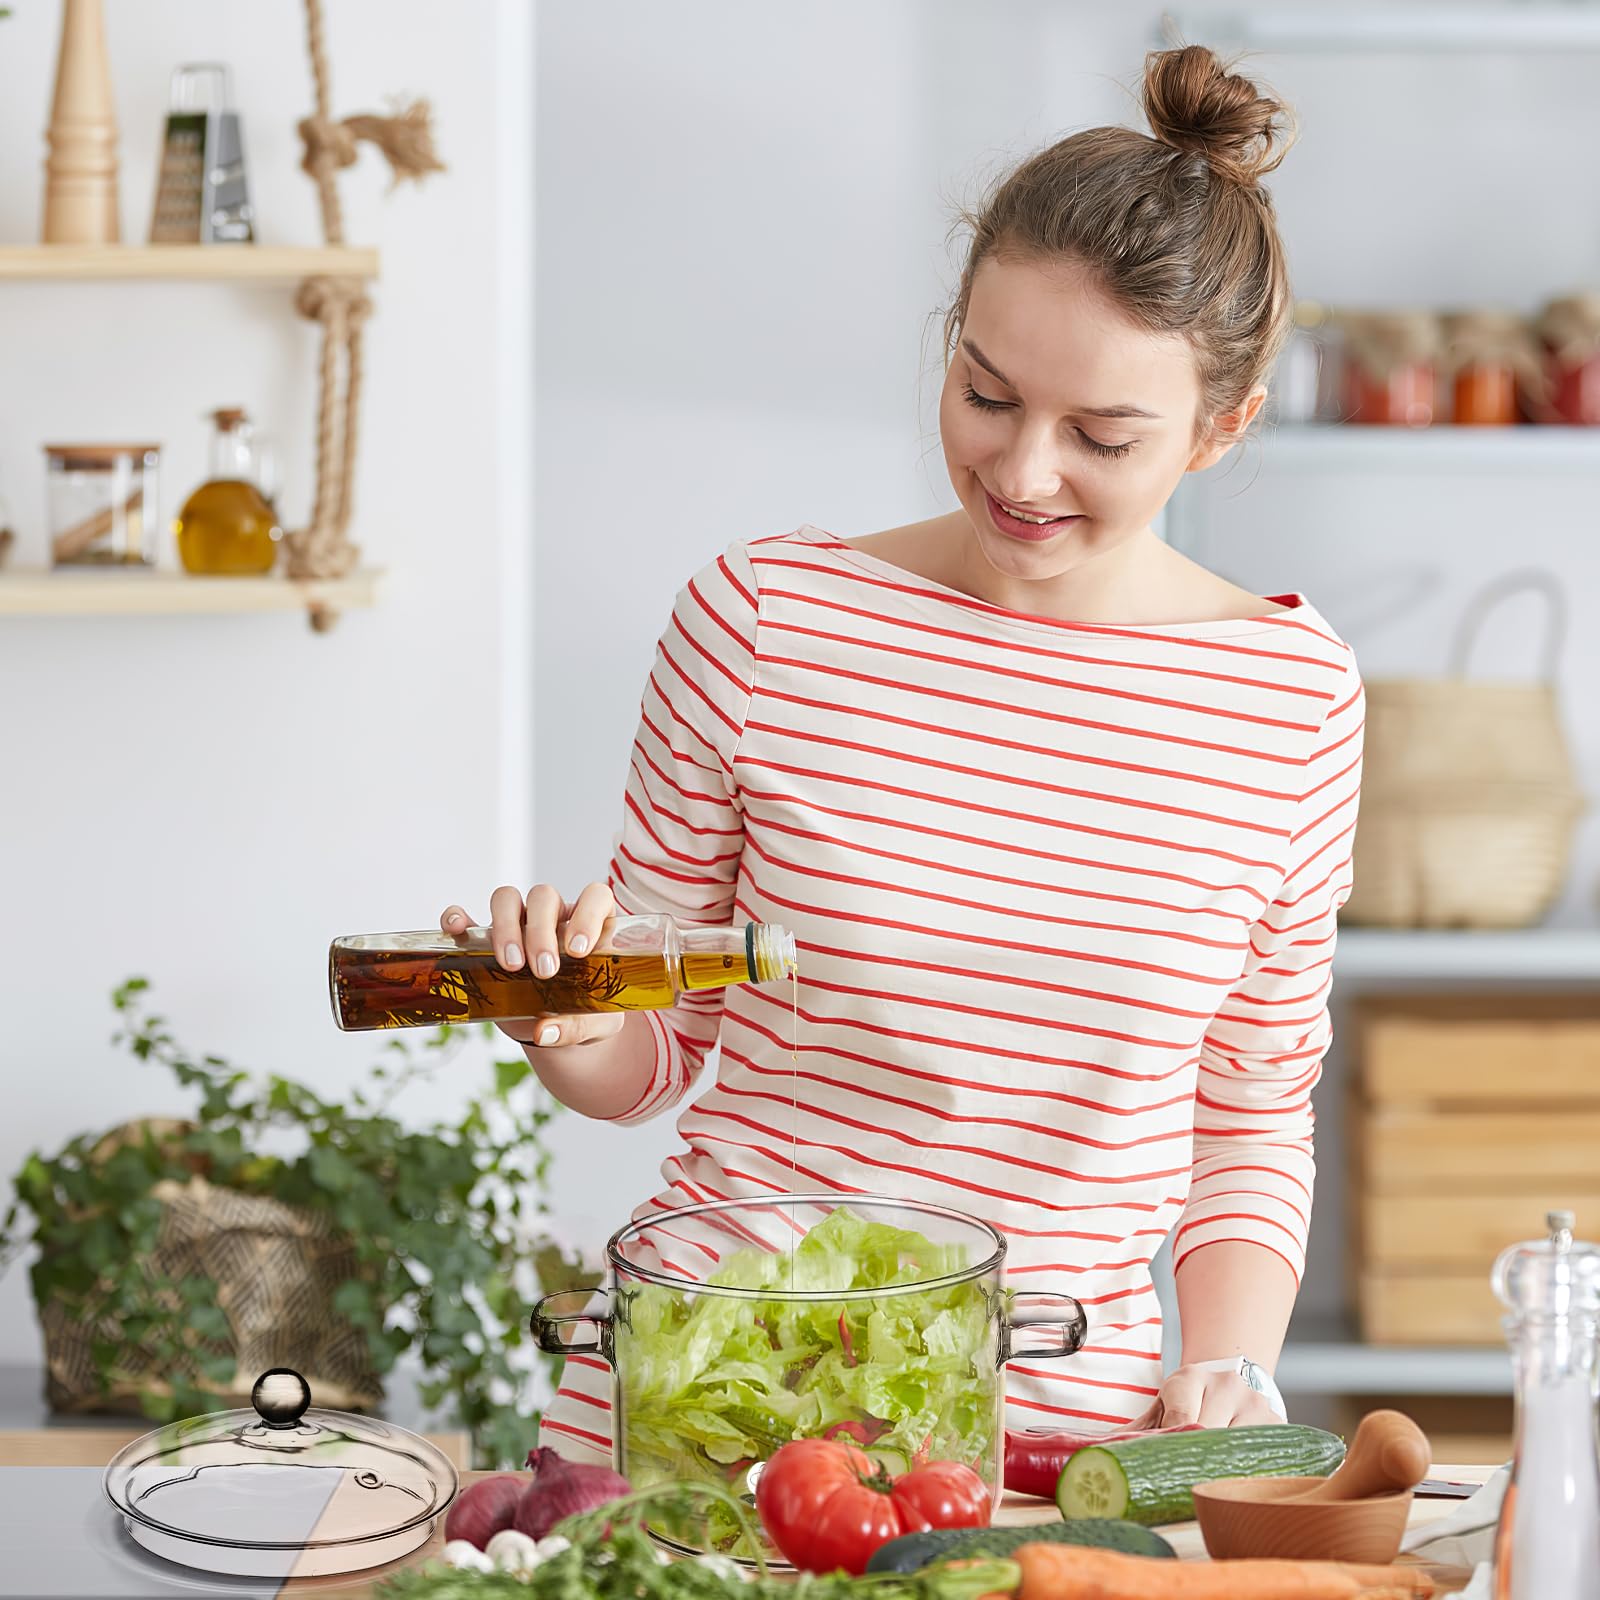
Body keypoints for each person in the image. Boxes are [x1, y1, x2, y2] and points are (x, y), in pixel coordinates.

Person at [445, 43, 1363, 1463]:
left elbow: (1249, 1106)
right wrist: (562, 1018)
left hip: (1043, 1446)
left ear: (1221, 428)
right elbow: (658, 1051)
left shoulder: (1290, 701)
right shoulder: (763, 621)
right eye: (986, 394)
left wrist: (1233, 1364)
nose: (1023, 471)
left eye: (1102, 436)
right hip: (705, 1395)